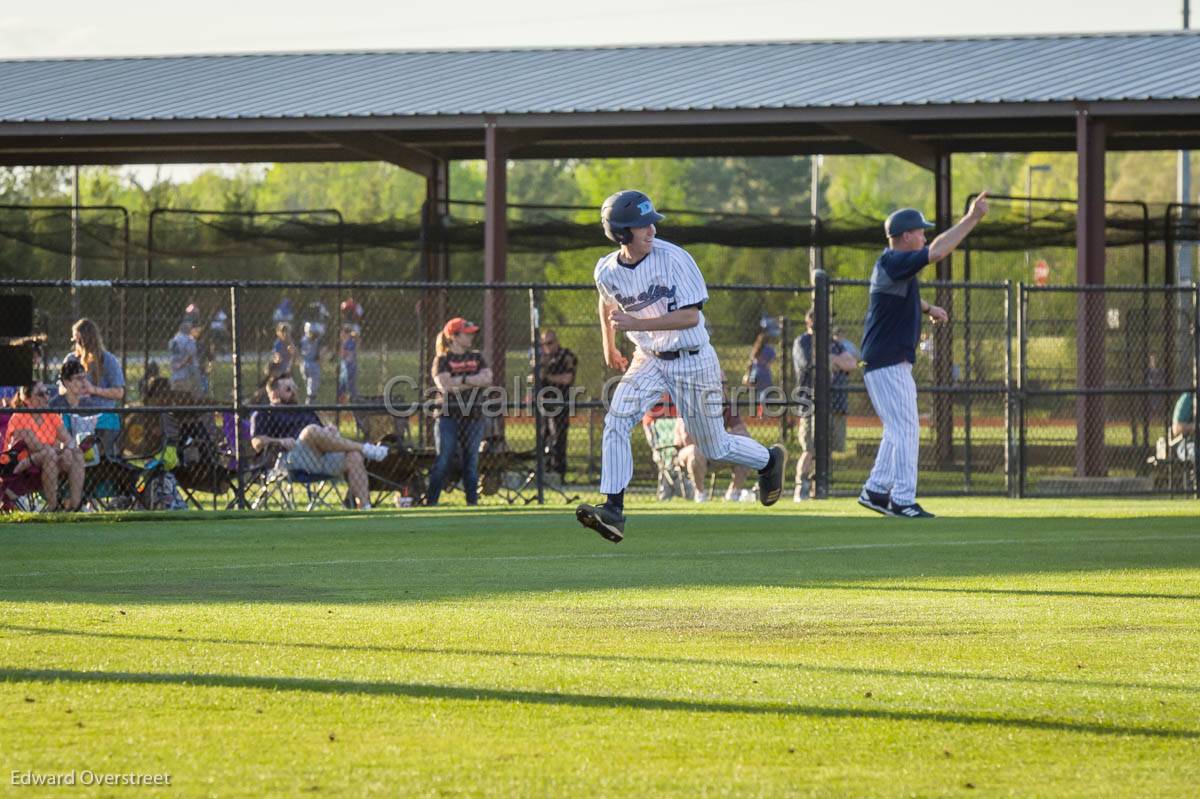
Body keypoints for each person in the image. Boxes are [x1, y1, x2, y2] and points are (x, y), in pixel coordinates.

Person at [575, 190, 786, 543]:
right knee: (616, 420)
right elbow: (605, 300)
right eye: (642, 226)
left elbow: (690, 316)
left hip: (692, 359)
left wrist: (636, 325)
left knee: (715, 446)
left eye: (651, 223)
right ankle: (613, 510)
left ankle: (768, 461)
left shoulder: (674, 258)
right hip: (649, 360)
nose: (651, 230)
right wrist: (608, 343)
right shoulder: (607, 269)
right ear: (621, 234)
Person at [857, 194, 989, 519]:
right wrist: (971, 218)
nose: (925, 236)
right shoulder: (893, 261)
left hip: (884, 360)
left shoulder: (892, 265)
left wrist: (928, 307)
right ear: (905, 237)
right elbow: (939, 251)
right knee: (907, 428)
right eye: (920, 231)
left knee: (897, 428)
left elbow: (900, 297)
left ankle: (875, 490)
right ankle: (902, 499)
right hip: (888, 361)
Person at [249, 375, 390, 510]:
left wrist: (328, 432)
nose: (294, 391)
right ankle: (364, 448)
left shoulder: (304, 410)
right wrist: (279, 441)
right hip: (290, 459)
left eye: (295, 387)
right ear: (273, 393)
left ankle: (365, 508)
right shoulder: (264, 413)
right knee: (310, 431)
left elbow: (320, 434)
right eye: (288, 389)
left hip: (320, 457)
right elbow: (256, 442)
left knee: (354, 456)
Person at [792, 308, 859, 501]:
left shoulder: (835, 344)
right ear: (811, 321)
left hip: (835, 404)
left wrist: (829, 359)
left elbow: (852, 364)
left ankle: (817, 490)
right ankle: (801, 487)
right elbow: (809, 363)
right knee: (810, 449)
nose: (828, 323)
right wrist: (834, 361)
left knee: (828, 450)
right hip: (811, 404)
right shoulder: (803, 341)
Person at [426, 318, 492, 506]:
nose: (471, 336)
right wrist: (472, 379)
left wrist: (460, 379)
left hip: (473, 415)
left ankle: (472, 505)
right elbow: (445, 385)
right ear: (453, 336)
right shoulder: (442, 359)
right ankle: (431, 504)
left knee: (471, 463)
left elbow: (488, 378)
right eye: (466, 333)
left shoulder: (477, 357)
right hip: (448, 416)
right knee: (444, 460)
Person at [5, 382, 84, 512]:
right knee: (49, 454)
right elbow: (34, 446)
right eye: (40, 394)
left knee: (77, 453)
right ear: (27, 399)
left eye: (47, 393)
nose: (46, 397)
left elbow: (68, 439)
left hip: (50, 456)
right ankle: (53, 508)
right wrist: (60, 450)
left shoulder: (51, 415)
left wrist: (68, 450)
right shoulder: (19, 417)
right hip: (22, 462)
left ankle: (75, 507)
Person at [536, 329, 577, 482]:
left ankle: (559, 473)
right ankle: (544, 471)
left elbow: (567, 378)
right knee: (543, 436)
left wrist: (546, 376)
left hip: (560, 402)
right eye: (543, 344)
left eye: (549, 343)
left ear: (556, 342)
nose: (546, 347)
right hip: (543, 403)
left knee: (558, 437)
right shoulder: (540, 358)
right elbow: (534, 379)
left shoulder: (566, 356)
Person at [168, 320, 200, 396]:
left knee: (176, 397)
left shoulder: (173, 340)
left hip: (175, 375)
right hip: (187, 374)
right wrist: (181, 364)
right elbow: (190, 355)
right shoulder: (189, 340)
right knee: (192, 396)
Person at [299, 321, 324, 405]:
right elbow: (319, 355)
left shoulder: (303, 339)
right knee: (312, 391)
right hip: (313, 364)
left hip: (304, 364)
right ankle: (309, 405)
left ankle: (310, 402)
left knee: (309, 387)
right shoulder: (316, 341)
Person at [337, 323, 359, 404]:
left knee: (351, 388)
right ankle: (340, 407)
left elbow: (344, 354)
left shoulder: (350, 342)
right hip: (344, 368)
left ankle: (354, 405)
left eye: (343, 332)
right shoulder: (344, 342)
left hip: (350, 368)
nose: (341, 334)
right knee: (341, 389)